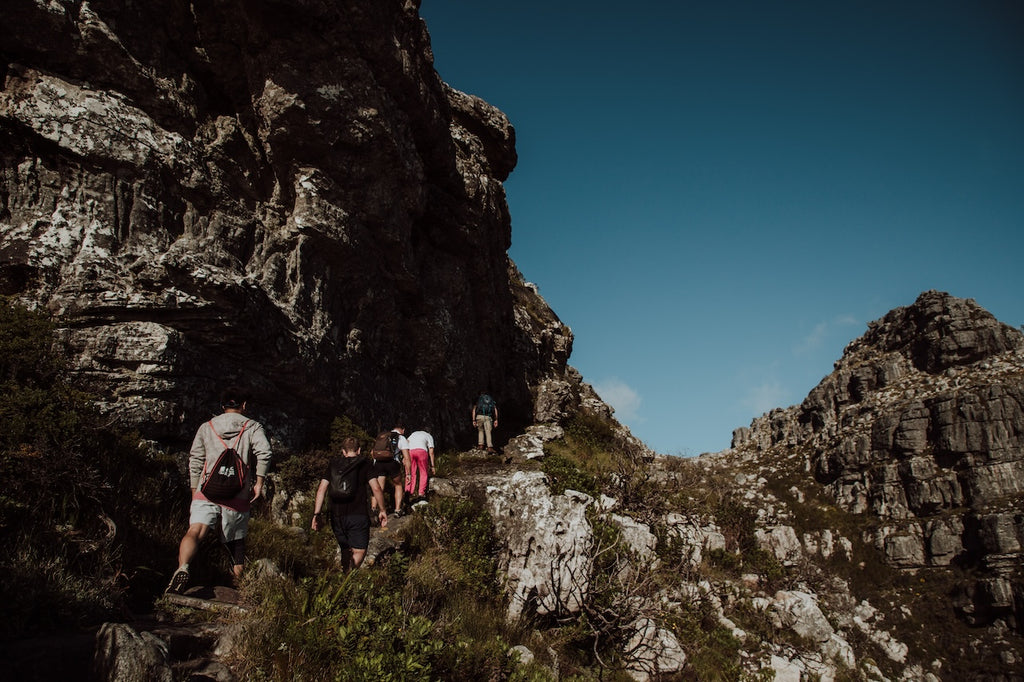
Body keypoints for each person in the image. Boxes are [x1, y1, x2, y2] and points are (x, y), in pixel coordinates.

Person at [166, 387, 272, 594]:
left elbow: (195, 459)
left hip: (207, 491)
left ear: (222, 406)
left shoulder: (207, 427)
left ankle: (183, 567)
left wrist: (195, 489)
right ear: (244, 405)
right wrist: (259, 482)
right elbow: (265, 452)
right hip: (237, 494)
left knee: (195, 531)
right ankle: (241, 592)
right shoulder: (252, 427)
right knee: (236, 545)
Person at [311, 436, 388, 570]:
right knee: (359, 551)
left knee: (346, 550)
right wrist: (382, 510)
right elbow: (376, 488)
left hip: (336, 516)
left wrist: (316, 514)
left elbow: (321, 489)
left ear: (343, 451)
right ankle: (348, 577)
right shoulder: (365, 464)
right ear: (358, 450)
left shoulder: (333, 464)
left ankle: (344, 578)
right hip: (358, 514)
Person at [371, 422, 409, 517]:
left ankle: (374, 509)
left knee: (379, 487)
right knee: (398, 484)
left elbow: (372, 452)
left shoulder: (382, 436)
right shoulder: (400, 438)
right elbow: (407, 457)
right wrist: (408, 473)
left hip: (379, 463)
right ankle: (397, 510)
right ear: (403, 429)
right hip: (392, 463)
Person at [404, 428, 435, 502]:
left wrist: (405, 457)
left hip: (410, 452)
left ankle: (408, 492)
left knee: (410, 473)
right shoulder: (428, 436)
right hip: (421, 451)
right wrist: (433, 466)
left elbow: (406, 443)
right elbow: (431, 451)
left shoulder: (413, 433)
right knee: (423, 472)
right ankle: (421, 493)